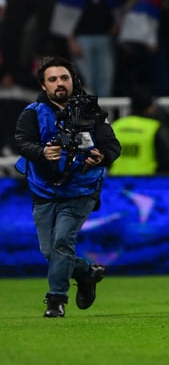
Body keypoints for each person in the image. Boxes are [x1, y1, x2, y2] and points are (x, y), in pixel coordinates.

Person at [14, 56, 120, 317]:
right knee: (50, 251)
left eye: (64, 78)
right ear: (43, 86)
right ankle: (86, 273)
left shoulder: (92, 112)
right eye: (53, 80)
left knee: (62, 242)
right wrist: (41, 152)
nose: (59, 84)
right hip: (44, 190)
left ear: (74, 80)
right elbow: (22, 142)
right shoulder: (32, 113)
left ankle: (56, 300)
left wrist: (102, 157)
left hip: (81, 189)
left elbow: (112, 146)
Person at [109, 90, 169, 175]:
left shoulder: (116, 126)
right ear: (150, 108)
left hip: (116, 182)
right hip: (147, 183)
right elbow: (168, 160)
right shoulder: (154, 127)